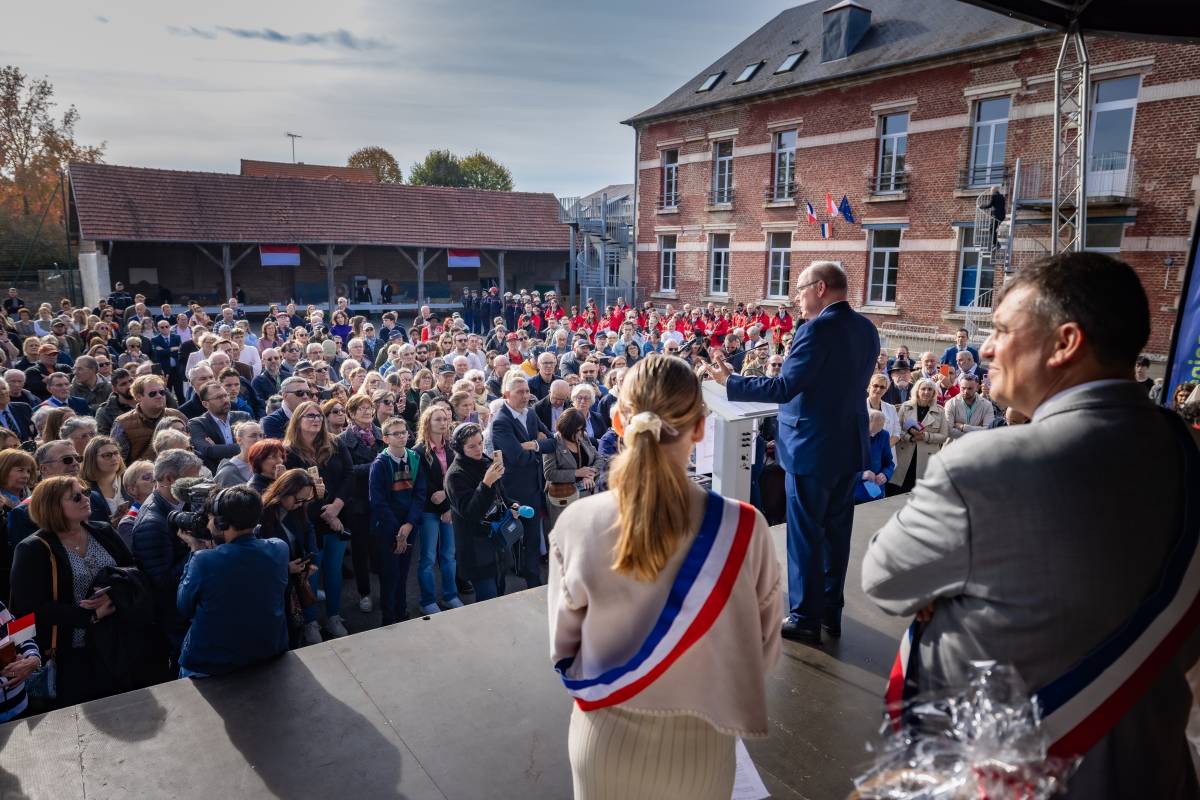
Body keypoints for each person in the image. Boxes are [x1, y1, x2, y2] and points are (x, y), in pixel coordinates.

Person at [863, 252, 1200, 798]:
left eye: (999, 330)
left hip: (1015, 777)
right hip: (1149, 768)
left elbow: (884, 576)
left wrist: (946, 589)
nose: (987, 349)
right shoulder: (1187, 454)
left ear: (1065, 343)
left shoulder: (982, 464)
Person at [549, 354, 782, 800]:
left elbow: (563, 651)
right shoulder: (745, 528)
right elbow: (763, 653)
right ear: (700, 427)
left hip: (603, 747)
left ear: (618, 420)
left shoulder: (576, 523)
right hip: (700, 751)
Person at [708, 261, 878, 644]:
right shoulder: (866, 328)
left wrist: (731, 381)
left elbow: (785, 388)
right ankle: (831, 613)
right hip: (848, 445)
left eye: (800, 289)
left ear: (819, 288)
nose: (796, 298)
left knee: (804, 535)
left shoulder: (815, 329)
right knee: (837, 534)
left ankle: (804, 617)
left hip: (810, 449)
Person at [10, 476, 135, 707]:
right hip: (70, 655)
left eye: (85, 492)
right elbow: (30, 608)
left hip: (115, 642)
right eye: (76, 497)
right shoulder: (33, 549)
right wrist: (90, 615)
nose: (86, 499)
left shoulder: (103, 530)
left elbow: (133, 571)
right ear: (53, 506)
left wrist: (114, 595)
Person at [176, 486, 290, 678]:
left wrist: (195, 549)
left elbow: (183, 606)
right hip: (268, 650)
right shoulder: (280, 548)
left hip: (212, 663)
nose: (208, 524)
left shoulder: (203, 560)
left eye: (210, 518)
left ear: (221, 523)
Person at [283, 401, 353, 639]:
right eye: (309, 416)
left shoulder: (334, 443)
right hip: (306, 520)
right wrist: (325, 510)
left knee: (334, 572)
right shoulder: (289, 452)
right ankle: (311, 621)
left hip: (338, 516)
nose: (316, 419)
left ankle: (333, 616)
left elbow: (349, 475)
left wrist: (336, 507)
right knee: (311, 572)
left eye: (318, 416)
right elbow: (289, 489)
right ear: (298, 420)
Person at [130, 448, 204, 664]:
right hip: (177, 620)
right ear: (170, 479)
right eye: (192, 477)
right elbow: (162, 582)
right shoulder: (152, 524)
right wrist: (196, 549)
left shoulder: (184, 502)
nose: (198, 483)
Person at [490, 371, 556, 588]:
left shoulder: (530, 414)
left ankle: (534, 585)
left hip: (534, 488)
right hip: (513, 491)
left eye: (528, 391)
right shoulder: (501, 421)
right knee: (507, 543)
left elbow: (553, 443)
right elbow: (516, 458)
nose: (526, 395)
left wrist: (532, 445)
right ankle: (498, 593)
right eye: (520, 392)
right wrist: (537, 444)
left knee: (532, 541)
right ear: (507, 394)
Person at [445, 422, 515, 602]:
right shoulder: (455, 475)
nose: (478, 449)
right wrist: (486, 484)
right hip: (475, 547)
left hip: (497, 541)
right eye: (471, 446)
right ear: (460, 448)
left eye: (480, 443)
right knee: (488, 600)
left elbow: (502, 497)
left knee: (500, 594)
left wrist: (513, 506)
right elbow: (470, 512)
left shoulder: (486, 461)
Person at [368, 416, 425, 625]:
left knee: (403, 573)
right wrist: (397, 531)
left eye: (404, 432)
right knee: (389, 574)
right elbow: (378, 502)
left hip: (409, 526)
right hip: (388, 528)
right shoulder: (380, 464)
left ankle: (402, 611)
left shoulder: (414, 458)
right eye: (396, 433)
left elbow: (420, 494)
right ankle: (389, 617)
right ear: (385, 438)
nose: (402, 436)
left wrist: (409, 525)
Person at [256, 469, 322, 647]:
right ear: (284, 491)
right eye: (298, 499)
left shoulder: (297, 509)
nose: (301, 504)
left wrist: (313, 561)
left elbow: (309, 531)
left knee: (295, 624)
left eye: (305, 500)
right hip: (274, 583)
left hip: (297, 573)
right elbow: (257, 557)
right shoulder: (261, 514)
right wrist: (285, 568)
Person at [412, 406, 462, 614]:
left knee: (449, 555)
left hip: (450, 508)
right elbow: (423, 486)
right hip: (428, 510)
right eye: (437, 419)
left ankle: (451, 595)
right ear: (427, 423)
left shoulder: (452, 447)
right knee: (428, 558)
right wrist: (443, 505)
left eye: (445, 419)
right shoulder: (418, 451)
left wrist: (448, 503)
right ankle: (427, 600)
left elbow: (458, 477)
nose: (443, 423)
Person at [339, 395, 382, 612]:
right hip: (358, 502)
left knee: (383, 546)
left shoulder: (381, 433)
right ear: (351, 414)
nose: (367, 412)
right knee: (360, 550)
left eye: (369, 407)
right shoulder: (343, 440)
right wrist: (376, 466)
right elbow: (347, 472)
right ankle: (364, 593)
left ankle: (387, 590)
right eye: (361, 409)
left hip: (382, 501)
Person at [542, 408, 601, 531]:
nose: (580, 433)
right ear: (567, 429)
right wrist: (576, 473)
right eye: (577, 430)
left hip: (586, 498)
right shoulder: (553, 442)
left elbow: (599, 458)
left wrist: (590, 474)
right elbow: (549, 473)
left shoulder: (583, 437)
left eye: (582, 429)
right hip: (564, 501)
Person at [111, 375, 187, 463]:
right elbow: (118, 461)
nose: (159, 396)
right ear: (139, 397)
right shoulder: (123, 423)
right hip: (143, 474)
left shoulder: (177, 415)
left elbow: (191, 447)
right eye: (153, 394)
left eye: (162, 392)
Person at [79, 435, 126, 518]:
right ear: (92, 459)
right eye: (107, 455)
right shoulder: (83, 488)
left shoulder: (128, 479)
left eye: (116, 453)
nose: (114, 458)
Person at [854, 410, 894, 503]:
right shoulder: (849, 435)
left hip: (875, 493)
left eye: (877, 432)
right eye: (871, 432)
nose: (873, 435)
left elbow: (889, 463)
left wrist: (885, 474)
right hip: (852, 493)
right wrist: (861, 475)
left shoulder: (883, 435)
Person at [942, 373, 994, 442]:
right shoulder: (951, 403)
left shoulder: (987, 405)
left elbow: (988, 430)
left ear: (977, 388)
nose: (966, 391)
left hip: (977, 448)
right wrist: (977, 431)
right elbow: (948, 431)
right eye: (963, 388)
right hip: (954, 448)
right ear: (959, 386)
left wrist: (963, 427)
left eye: (970, 388)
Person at [115, 460, 154, 549]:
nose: (155, 479)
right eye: (147, 477)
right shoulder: (128, 523)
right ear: (132, 489)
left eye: (157, 475)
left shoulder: (170, 503)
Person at [212, 421, 261, 488]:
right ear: (239, 440)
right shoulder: (227, 472)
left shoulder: (266, 465)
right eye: (253, 436)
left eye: (261, 435)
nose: (259, 440)